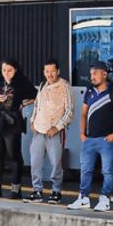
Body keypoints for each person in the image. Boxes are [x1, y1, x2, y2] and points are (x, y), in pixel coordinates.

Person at [68, 61, 113, 212]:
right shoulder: (89, 92)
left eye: (95, 73)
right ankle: (83, 198)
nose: (92, 77)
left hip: (106, 140)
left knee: (107, 171)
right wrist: (82, 133)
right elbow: (83, 114)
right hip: (89, 139)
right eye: (91, 74)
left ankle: (105, 199)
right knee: (85, 170)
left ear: (104, 74)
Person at [0, 58, 36, 199]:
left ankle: (16, 189)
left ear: (15, 70)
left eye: (10, 70)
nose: (6, 73)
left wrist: (23, 104)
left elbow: (36, 96)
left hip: (12, 121)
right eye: (4, 70)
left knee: (14, 155)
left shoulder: (21, 82)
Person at [26, 59, 74, 204]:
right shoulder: (42, 85)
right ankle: (37, 191)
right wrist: (32, 121)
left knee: (56, 163)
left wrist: (57, 127)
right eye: (47, 71)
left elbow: (70, 111)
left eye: (53, 71)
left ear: (58, 71)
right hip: (38, 131)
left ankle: (56, 191)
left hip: (54, 132)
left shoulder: (65, 86)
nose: (50, 74)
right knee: (35, 162)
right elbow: (36, 105)